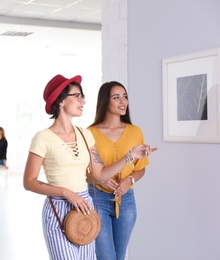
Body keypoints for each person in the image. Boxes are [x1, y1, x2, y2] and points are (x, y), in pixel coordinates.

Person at [23, 74, 156, 260]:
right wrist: (66, 192)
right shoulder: (42, 138)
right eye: (77, 96)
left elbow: (100, 175)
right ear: (61, 101)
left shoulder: (85, 135)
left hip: (86, 205)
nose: (82, 101)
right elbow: (29, 182)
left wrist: (130, 156)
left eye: (82, 96)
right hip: (59, 206)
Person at [87, 81, 152, 260]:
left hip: (126, 202)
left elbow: (140, 169)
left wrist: (129, 181)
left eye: (124, 97)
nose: (123, 101)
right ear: (104, 102)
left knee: (119, 256)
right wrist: (100, 178)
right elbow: (85, 174)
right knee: (106, 256)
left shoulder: (135, 132)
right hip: (97, 199)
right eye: (116, 97)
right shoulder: (89, 133)